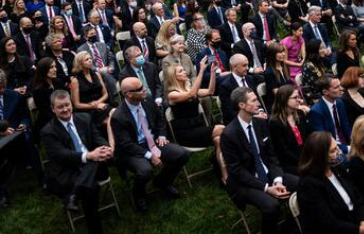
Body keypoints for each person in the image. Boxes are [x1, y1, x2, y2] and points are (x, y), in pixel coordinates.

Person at [220, 87, 298, 234]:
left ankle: (290, 226)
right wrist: (266, 188)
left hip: (269, 173)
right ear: (242, 105)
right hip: (246, 182)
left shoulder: (261, 124)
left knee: (303, 185)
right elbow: (237, 171)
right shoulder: (229, 135)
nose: (259, 103)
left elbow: (272, 156)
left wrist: (278, 180)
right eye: (254, 100)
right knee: (272, 206)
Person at [111, 77, 189, 211]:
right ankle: (139, 194)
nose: (144, 89)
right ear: (128, 94)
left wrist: (162, 135)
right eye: (140, 89)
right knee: (145, 171)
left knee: (182, 155)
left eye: (143, 86)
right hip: (133, 150)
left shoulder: (147, 100)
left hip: (153, 141)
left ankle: (162, 182)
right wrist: (149, 155)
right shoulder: (118, 116)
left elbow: (160, 119)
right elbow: (126, 144)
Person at [41, 90, 113, 234]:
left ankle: (73, 196)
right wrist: (89, 156)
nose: (65, 109)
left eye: (67, 105)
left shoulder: (85, 118)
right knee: (91, 189)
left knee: (96, 159)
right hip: (69, 169)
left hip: (93, 163)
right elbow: (62, 155)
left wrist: (105, 148)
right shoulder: (48, 131)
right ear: (52, 109)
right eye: (60, 107)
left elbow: (97, 138)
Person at [297, 131, 364, 234]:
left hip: (355, 225)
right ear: (320, 156)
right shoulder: (308, 184)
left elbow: (358, 197)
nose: (339, 152)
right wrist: (361, 230)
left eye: (337, 147)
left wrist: (363, 222)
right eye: (333, 151)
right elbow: (328, 224)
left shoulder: (336, 167)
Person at [164, 58, 227, 183]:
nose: (185, 72)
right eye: (181, 71)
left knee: (218, 139)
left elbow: (210, 91)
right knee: (223, 129)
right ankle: (225, 161)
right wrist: (202, 70)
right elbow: (191, 94)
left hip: (198, 128)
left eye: (183, 70)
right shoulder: (172, 94)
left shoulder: (189, 89)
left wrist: (213, 72)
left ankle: (224, 175)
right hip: (185, 134)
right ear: (174, 77)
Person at [268, 84, 309, 175]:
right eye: (295, 97)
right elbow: (283, 151)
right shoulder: (275, 123)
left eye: (299, 96)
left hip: (307, 157)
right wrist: (304, 161)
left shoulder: (300, 114)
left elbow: (308, 137)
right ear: (284, 99)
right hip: (291, 164)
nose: (299, 100)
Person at [308, 75, 351, 154]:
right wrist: (349, 149)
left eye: (340, 85)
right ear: (325, 92)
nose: (341, 89)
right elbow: (324, 142)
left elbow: (346, 127)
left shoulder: (339, 102)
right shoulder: (316, 112)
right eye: (336, 87)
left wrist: (356, 143)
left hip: (347, 144)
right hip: (332, 151)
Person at [217, 54, 258, 124]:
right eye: (244, 65)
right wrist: (252, 117)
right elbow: (229, 111)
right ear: (234, 67)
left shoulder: (250, 79)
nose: (247, 68)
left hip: (255, 115)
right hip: (238, 121)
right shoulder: (225, 86)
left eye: (247, 65)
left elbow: (257, 100)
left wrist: (261, 111)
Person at [30, 57, 66, 138]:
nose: (55, 69)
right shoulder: (38, 90)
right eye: (51, 67)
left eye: (55, 66)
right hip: (49, 121)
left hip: (63, 114)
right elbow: (45, 112)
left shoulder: (58, 82)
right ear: (43, 70)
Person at [263, 42, 293, 107]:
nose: (284, 54)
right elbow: (277, 94)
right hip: (278, 105)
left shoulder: (285, 67)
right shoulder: (269, 72)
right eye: (280, 52)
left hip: (289, 100)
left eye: (283, 51)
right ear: (272, 54)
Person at [301, 39, 329, 104]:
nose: (323, 50)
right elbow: (315, 88)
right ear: (314, 51)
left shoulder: (318, 61)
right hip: (315, 97)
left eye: (323, 48)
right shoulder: (308, 66)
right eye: (321, 49)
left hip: (324, 91)